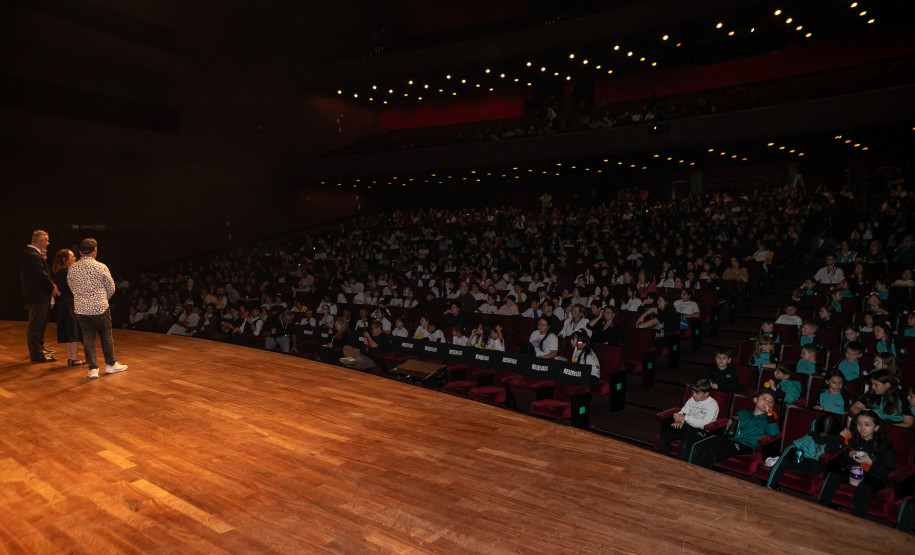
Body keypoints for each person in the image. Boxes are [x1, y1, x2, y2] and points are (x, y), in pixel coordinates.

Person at [67, 238, 128, 379]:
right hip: (100, 306)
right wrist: (101, 298)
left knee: (87, 337)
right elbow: (111, 287)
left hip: (81, 308)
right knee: (106, 335)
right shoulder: (101, 266)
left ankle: (93, 369)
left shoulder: (72, 268)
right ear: (95, 251)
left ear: (80, 252)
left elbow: (72, 288)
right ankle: (110, 364)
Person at [818, 410, 895, 517]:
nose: (862, 427)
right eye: (859, 424)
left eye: (867, 425)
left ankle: (858, 518)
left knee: (863, 486)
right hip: (855, 471)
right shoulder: (854, 440)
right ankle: (820, 507)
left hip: (874, 476)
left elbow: (886, 474)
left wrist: (870, 464)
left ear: (876, 427)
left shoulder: (885, 447)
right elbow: (843, 464)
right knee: (834, 475)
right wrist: (849, 455)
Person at [689, 389, 779, 469]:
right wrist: (727, 428)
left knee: (713, 451)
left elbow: (774, 433)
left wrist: (770, 415)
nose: (767, 402)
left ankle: (698, 476)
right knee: (699, 446)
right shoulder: (743, 413)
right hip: (728, 439)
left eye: (770, 401)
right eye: (764, 398)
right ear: (755, 400)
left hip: (744, 445)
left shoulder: (769, 420)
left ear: (772, 407)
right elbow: (730, 431)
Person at [767, 413, 844, 490]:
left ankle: (779, 462)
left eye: (827, 434)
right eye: (822, 433)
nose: (823, 435)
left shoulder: (837, 434)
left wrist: (839, 438)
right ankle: (769, 487)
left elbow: (829, 450)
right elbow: (818, 440)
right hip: (798, 448)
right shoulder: (815, 423)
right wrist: (837, 437)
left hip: (813, 459)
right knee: (785, 461)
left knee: (818, 468)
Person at [657, 378, 719, 461]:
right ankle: (662, 461)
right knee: (664, 437)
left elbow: (705, 424)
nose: (694, 395)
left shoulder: (712, 404)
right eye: (693, 392)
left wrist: (685, 418)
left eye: (697, 393)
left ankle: (682, 468)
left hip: (701, 430)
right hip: (687, 425)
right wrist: (679, 421)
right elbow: (682, 412)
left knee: (685, 443)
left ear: (706, 393)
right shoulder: (691, 400)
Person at [20, 230, 58, 363]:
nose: (48, 243)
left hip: (39, 296)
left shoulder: (34, 254)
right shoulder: (31, 254)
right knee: (36, 325)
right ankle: (37, 355)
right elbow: (41, 276)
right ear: (41, 241)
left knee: (39, 324)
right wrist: (52, 287)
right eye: (47, 240)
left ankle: (39, 349)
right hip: (37, 296)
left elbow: (43, 273)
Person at [51, 248, 84, 366]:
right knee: (73, 331)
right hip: (70, 304)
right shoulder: (67, 272)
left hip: (62, 305)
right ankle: (74, 358)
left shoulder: (58, 272)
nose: (74, 258)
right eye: (72, 257)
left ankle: (71, 357)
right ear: (65, 260)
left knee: (68, 331)